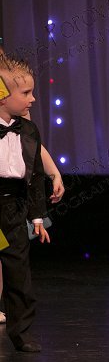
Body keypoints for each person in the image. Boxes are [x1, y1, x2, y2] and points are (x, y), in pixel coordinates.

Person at [0, 45, 63, 326]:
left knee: (8, 256)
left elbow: (30, 149)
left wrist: (53, 172)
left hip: (9, 201)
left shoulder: (13, 101)